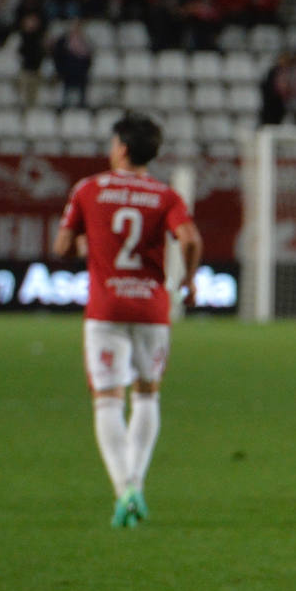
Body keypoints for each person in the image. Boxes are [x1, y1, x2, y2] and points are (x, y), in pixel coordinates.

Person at [52, 113, 203, 529]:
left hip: (106, 309)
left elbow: (62, 245)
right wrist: (187, 281)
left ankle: (125, 489)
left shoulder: (89, 189)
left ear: (120, 147)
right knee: (147, 395)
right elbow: (189, 239)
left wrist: (90, 242)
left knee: (107, 399)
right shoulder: (164, 195)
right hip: (152, 310)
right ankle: (135, 481)